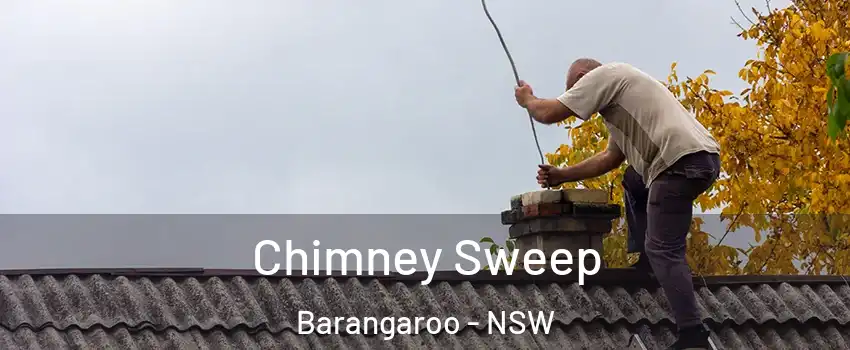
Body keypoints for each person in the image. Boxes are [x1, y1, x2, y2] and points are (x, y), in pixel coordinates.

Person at [513, 58, 721, 350]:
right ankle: (648, 264)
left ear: (584, 77)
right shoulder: (621, 102)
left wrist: (528, 100)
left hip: (678, 164)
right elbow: (608, 159)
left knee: (663, 248)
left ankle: (692, 334)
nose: (580, 98)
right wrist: (562, 175)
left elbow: (549, 113)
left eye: (576, 89)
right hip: (700, 159)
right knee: (634, 178)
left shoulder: (606, 75)